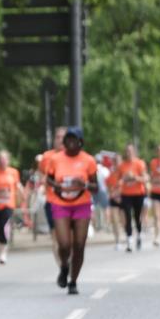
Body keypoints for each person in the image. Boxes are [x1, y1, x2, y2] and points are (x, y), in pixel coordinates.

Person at [44, 126, 98, 295]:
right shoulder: (55, 159)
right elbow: (49, 180)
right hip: (60, 203)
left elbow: (96, 187)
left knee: (79, 245)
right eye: (68, 139)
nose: (70, 142)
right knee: (64, 243)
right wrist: (58, 186)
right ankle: (64, 266)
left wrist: (85, 185)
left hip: (81, 204)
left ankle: (73, 281)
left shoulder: (88, 160)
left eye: (74, 139)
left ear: (80, 142)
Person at [0, 149, 25, 265]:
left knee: (4, 225)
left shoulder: (13, 172)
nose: (2, 161)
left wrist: (22, 193)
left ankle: (3, 253)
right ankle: (2, 248)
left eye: (4, 159)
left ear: (8, 160)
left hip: (8, 204)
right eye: (0, 159)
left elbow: (17, 185)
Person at [38, 127, 67, 265]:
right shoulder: (47, 156)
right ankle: (62, 267)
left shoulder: (74, 156)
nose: (60, 140)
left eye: (63, 137)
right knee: (56, 237)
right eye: (57, 137)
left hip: (72, 202)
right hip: (52, 201)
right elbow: (41, 175)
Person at [115, 144, 149, 252]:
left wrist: (134, 177)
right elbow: (118, 180)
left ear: (134, 152)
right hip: (126, 194)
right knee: (127, 216)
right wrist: (124, 179)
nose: (128, 153)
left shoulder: (139, 163)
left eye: (130, 151)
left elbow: (145, 178)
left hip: (138, 193)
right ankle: (129, 240)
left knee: (137, 216)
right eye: (127, 151)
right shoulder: (122, 166)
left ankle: (139, 234)